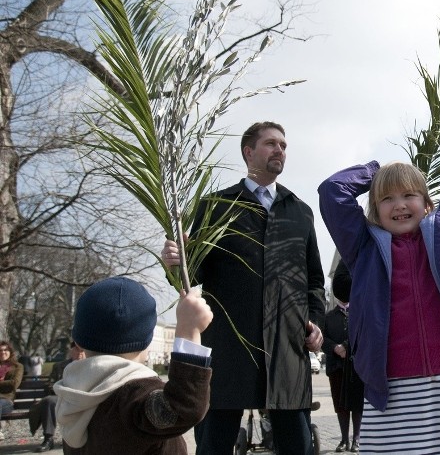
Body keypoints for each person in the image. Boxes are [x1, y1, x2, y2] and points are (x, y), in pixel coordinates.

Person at [318, 68, 440, 454]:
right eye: (387, 198)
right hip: (389, 386)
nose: (398, 205)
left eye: (408, 195)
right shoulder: (363, 248)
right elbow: (332, 191)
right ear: (375, 210)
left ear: (427, 203)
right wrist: (379, 172)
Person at [162, 120, 326, 455]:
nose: (279, 149)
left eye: (283, 145)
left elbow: (314, 281)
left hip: (286, 350)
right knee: (215, 444)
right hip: (229, 347)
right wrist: (176, 261)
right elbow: (194, 274)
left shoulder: (301, 212)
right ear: (248, 152)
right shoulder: (216, 206)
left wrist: (316, 322)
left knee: (297, 445)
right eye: (270, 143)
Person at [53, 276, 213, 454]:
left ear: (77, 341)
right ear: (147, 341)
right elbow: (183, 407)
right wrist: (189, 331)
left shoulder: (71, 392)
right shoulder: (132, 396)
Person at [322, 292, 364, 453]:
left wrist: (346, 346)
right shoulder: (329, 316)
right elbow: (322, 338)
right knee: (340, 404)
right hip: (336, 367)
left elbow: (362, 333)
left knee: (357, 403)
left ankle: (357, 439)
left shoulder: (359, 313)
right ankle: (344, 439)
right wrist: (335, 348)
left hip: (356, 366)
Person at [28, 341, 86, 452]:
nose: (79, 353)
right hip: (62, 397)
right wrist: (63, 389)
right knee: (49, 401)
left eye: (82, 350)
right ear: (71, 351)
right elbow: (50, 385)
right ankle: (48, 439)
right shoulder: (59, 366)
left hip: (83, 398)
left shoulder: (91, 366)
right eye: (76, 350)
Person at [0, 340, 24, 439]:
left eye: (5, 350)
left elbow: (14, 384)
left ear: (10, 352)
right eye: (0, 350)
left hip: (6, 400)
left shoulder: (17, 366)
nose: (2, 352)